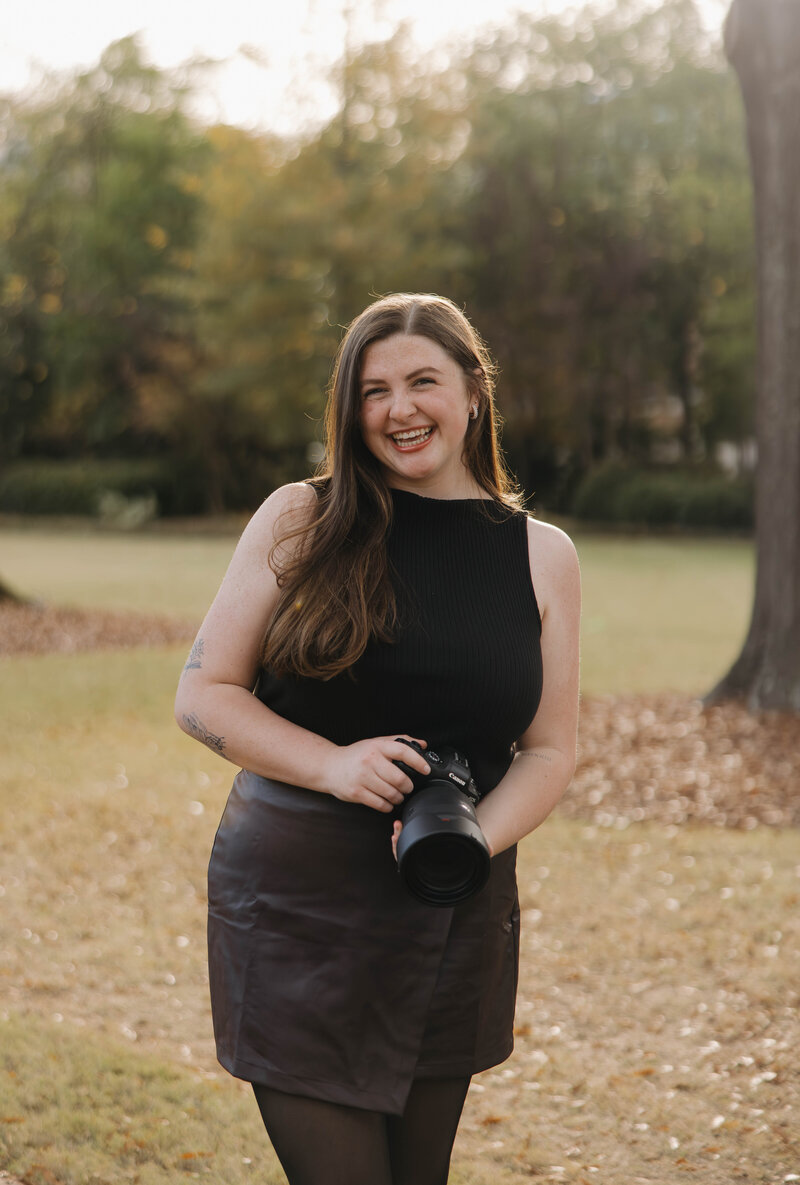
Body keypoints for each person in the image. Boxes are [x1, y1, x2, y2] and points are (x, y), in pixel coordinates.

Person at [174, 292, 580, 1185]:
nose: (399, 409)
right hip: (297, 901)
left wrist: (476, 836)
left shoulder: (542, 554)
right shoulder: (300, 518)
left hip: (450, 894)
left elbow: (550, 748)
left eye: (422, 381)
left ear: (474, 391)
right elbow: (204, 692)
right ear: (350, 410)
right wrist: (333, 764)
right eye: (373, 390)